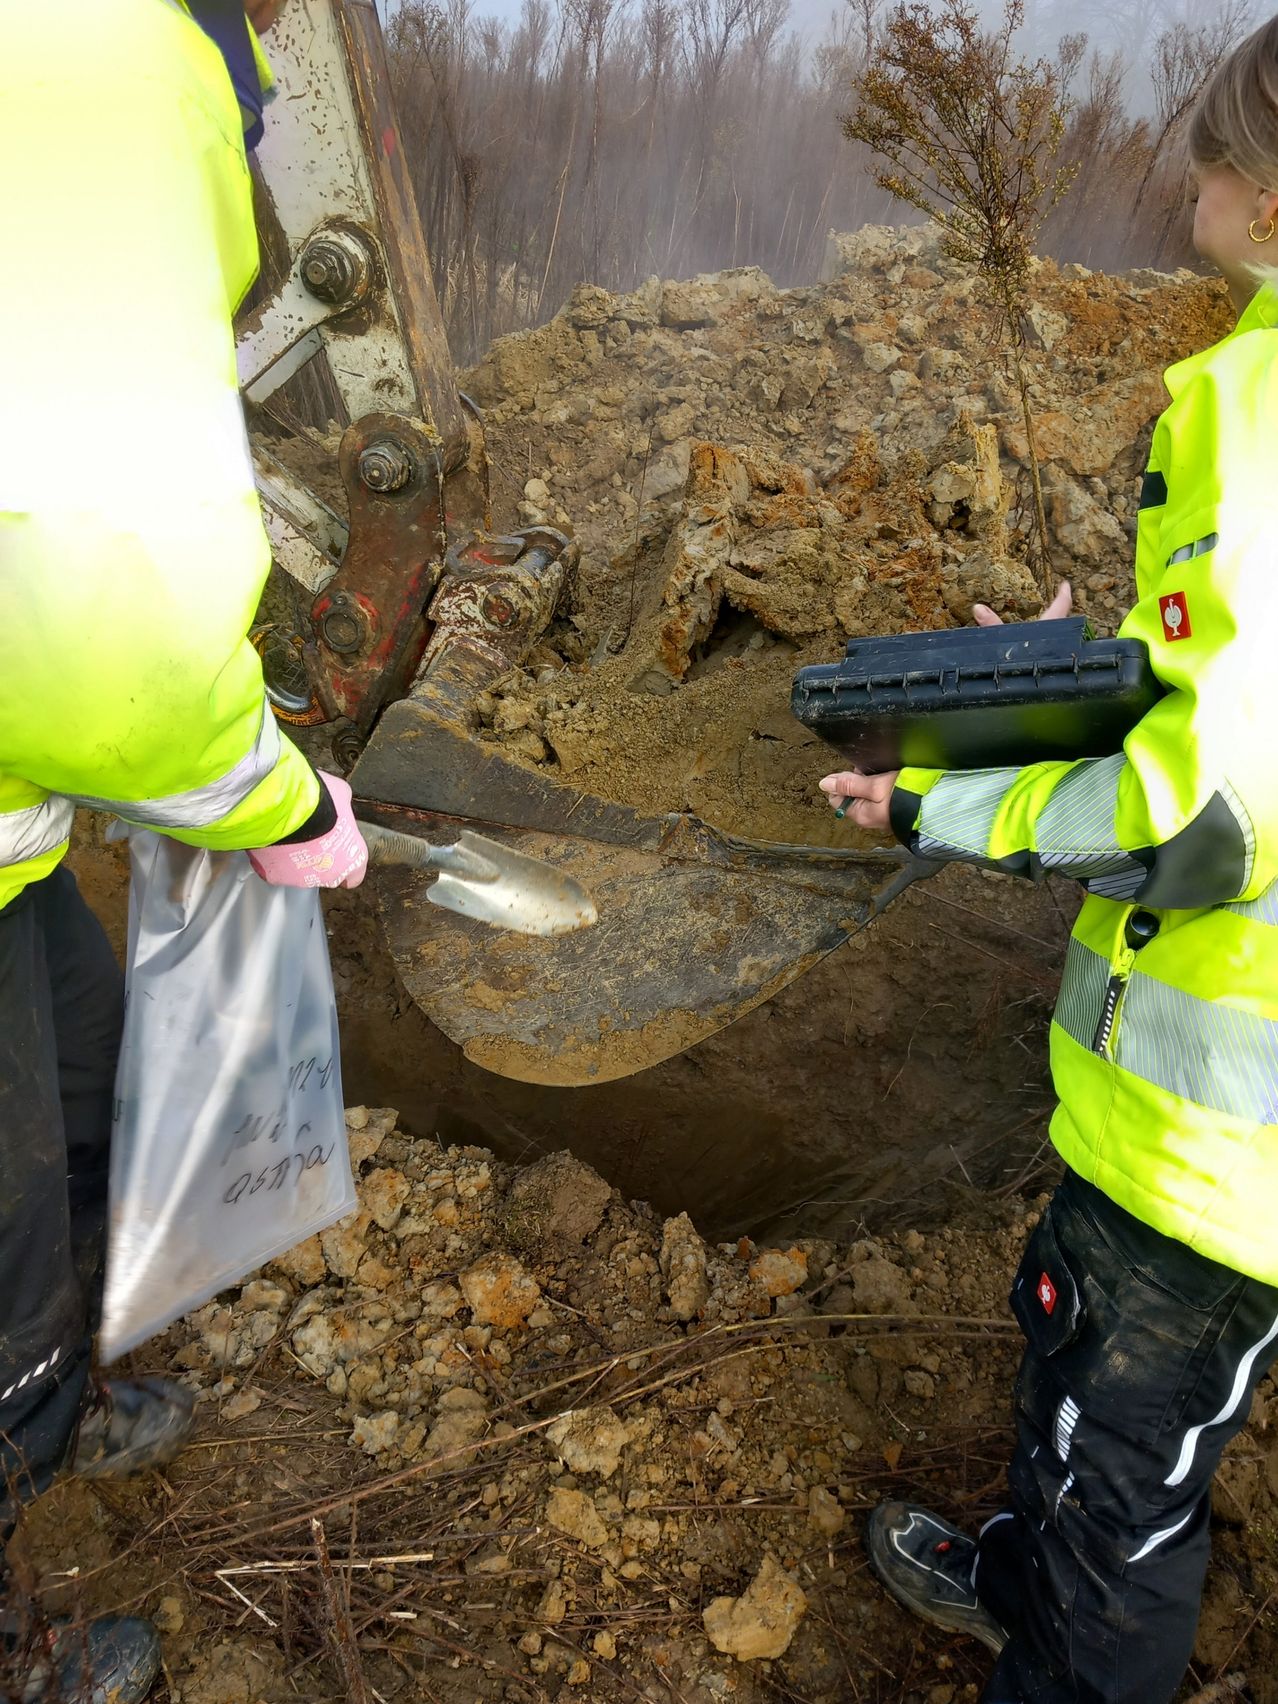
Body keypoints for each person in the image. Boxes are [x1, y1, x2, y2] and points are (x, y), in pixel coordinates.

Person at [820, 14, 1278, 1702]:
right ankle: (1025, 1565)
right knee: (1085, 1410)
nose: (1194, 176)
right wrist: (1112, 686)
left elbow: (1198, 816)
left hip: (1208, 1153)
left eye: (1220, 152)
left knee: (1120, 1503)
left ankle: (1061, 1635)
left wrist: (953, 801)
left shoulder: (1250, 405)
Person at [0, 1, 366, 1696]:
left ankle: (47, 1409)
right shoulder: (130, 100)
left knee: (83, 1081)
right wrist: (277, 803)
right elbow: (117, 656)